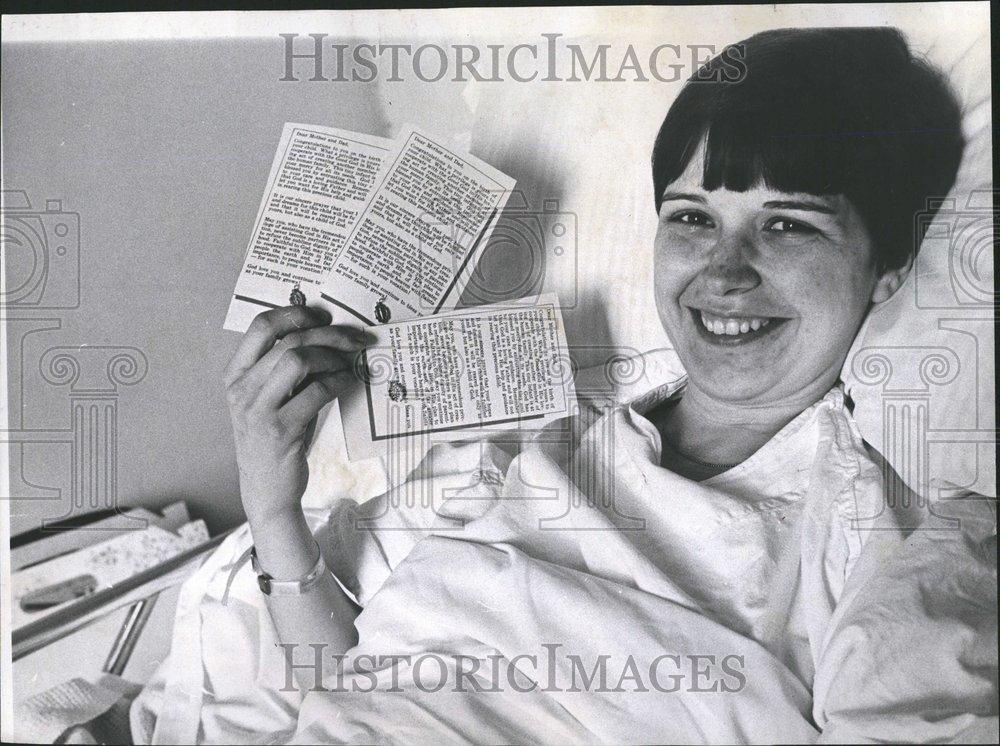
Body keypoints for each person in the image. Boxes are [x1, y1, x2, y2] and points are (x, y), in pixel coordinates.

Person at [139, 27, 994, 744]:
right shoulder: (519, 451)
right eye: (693, 217)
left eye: (789, 225)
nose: (725, 272)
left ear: (887, 269)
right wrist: (272, 498)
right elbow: (344, 678)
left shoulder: (886, 541)